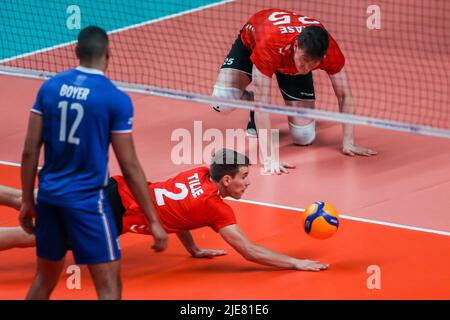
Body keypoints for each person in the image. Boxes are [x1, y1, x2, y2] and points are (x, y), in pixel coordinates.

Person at [19, 26, 168, 300]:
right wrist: (153, 220)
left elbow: (29, 151)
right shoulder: (115, 99)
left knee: (44, 279)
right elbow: (130, 166)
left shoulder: (49, 87)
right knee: (109, 287)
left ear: (76, 51)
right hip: (87, 202)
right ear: (109, 54)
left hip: (49, 198)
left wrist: (28, 200)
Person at [3, 149, 328, 271]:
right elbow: (248, 250)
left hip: (114, 189)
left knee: (26, 199)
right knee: (30, 236)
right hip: (113, 213)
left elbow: (177, 212)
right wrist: (296, 262)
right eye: (244, 177)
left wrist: (193, 247)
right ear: (226, 180)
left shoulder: (200, 173)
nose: (248, 183)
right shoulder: (217, 210)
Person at [212, 9, 377, 174]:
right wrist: (270, 158)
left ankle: (270, 109)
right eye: (304, 60)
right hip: (254, 46)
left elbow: (344, 95)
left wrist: (348, 142)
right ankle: (251, 105)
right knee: (221, 102)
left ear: (322, 57)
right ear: (297, 45)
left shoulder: (329, 50)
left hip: (287, 64)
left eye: (313, 64)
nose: (306, 68)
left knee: (304, 137)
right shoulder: (270, 44)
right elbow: (263, 104)